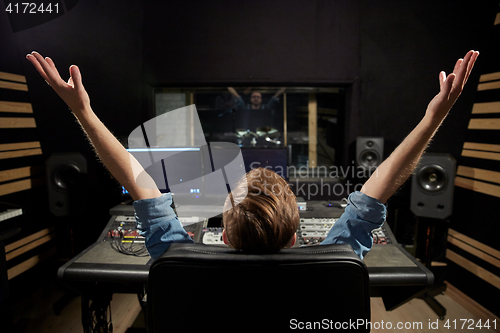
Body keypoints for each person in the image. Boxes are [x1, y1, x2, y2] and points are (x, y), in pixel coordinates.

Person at [26, 50, 478, 260]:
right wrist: (433, 117)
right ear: (299, 234)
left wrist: (82, 112)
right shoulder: (335, 257)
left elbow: (134, 174)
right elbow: (382, 185)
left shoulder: (174, 253)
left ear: (221, 236)